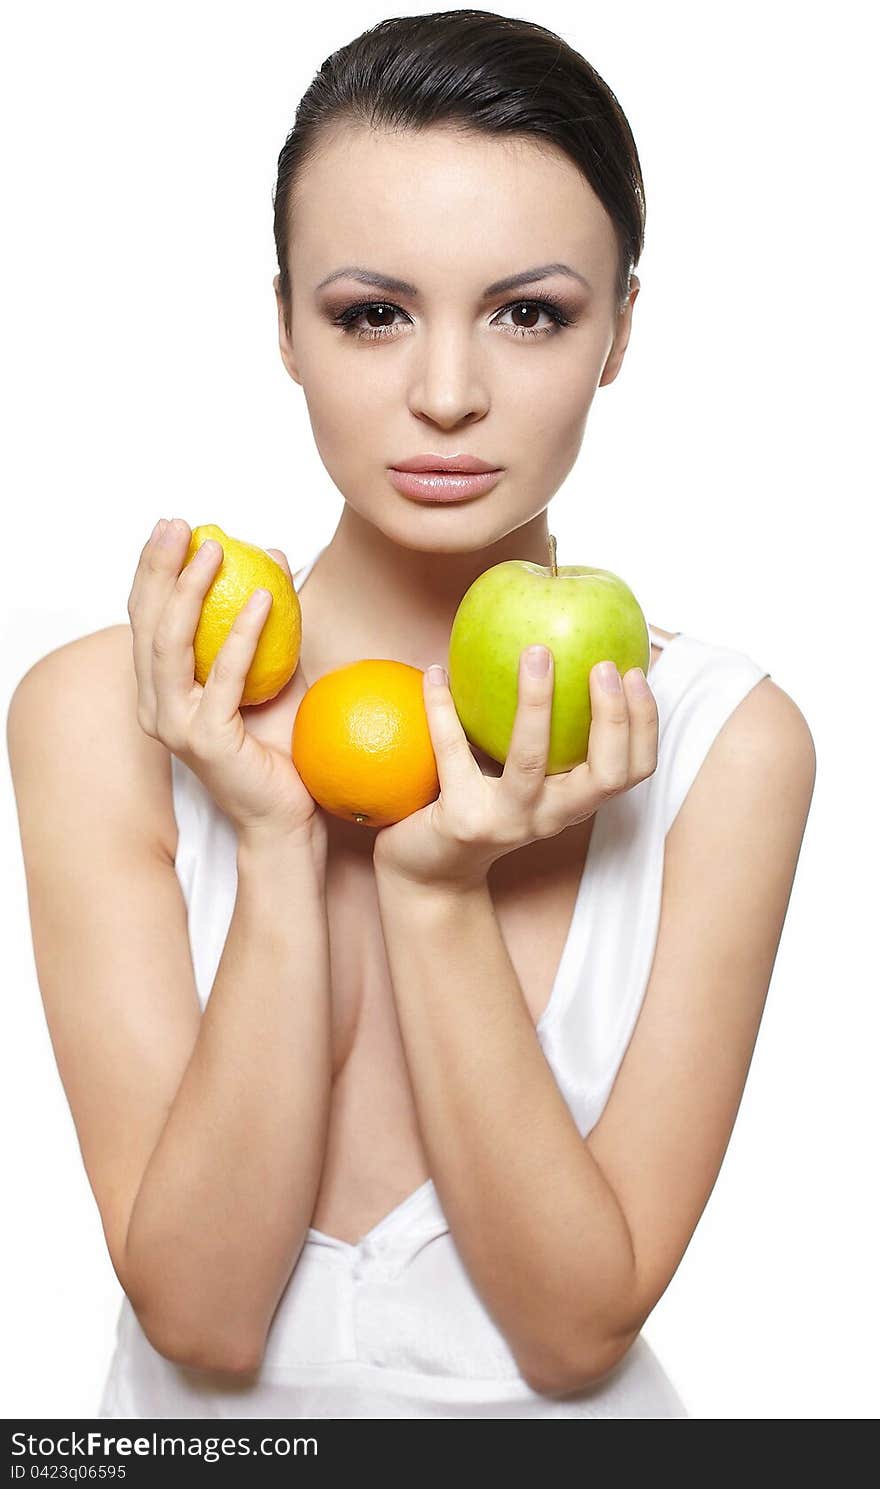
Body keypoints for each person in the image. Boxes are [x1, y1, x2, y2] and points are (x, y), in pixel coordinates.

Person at [6, 10, 816, 1420]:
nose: (447, 395)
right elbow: (197, 1314)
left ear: (620, 327)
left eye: (531, 312)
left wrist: (434, 889)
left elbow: (574, 1335)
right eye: (373, 313)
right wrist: (269, 841)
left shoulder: (717, 744)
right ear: (283, 326)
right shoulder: (111, 710)